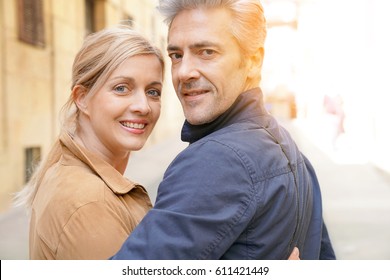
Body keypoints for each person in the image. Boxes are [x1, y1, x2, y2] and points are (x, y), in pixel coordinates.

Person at [111, 0, 335, 260]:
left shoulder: (215, 161)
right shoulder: (288, 147)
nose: (183, 72)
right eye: (176, 55)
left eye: (206, 52)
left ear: (253, 61)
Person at [14, 26, 165, 259]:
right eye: (122, 88)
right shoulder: (90, 203)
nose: (143, 106)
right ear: (82, 98)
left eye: (153, 91)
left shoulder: (70, 171)